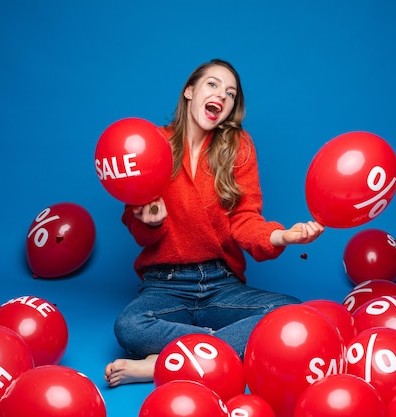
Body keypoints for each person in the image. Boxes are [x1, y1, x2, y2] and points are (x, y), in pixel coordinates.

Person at [104, 59, 324, 387]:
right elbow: (137, 228)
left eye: (231, 93)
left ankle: (167, 361)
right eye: (213, 85)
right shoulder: (151, 144)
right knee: (129, 325)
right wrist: (150, 223)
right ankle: (217, 349)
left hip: (221, 283)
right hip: (165, 284)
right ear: (189, 91)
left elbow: (245, 220)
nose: (221, 95)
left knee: (288, 312)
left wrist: (280, 236)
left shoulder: (237, 146)